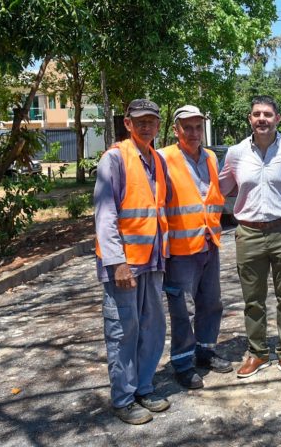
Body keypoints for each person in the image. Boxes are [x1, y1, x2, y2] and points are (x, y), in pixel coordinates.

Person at [218, 95, 281, 381]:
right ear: (250, 119)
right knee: (253, 299)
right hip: (248, 233)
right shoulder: (235, 153)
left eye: (267, 114)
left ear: (277, 119)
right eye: (257, 114)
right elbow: (219, 188)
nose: (262, 119)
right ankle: (258, 352)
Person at [94, 98, 172, 425]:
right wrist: (117, 263)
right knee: (123, 332)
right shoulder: (114, 159)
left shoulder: (157, 159)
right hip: (124, 267)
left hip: (152, 262)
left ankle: (143, 387)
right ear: (127, 123)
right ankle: (123, 399)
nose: (146, 126)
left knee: (151, 329)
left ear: (158, 124)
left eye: (151, 120)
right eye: (139, 120)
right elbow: (105, 215)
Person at [159, 105, 233, 390]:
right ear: (176, 130)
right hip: (180, 250)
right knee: (183, 309)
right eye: (187, 128)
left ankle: (205, 350)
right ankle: (182, 362)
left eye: (197, 127)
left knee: (211, 303)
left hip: (208, 242)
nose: (193, 133)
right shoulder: (164, 158)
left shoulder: (211, 157)